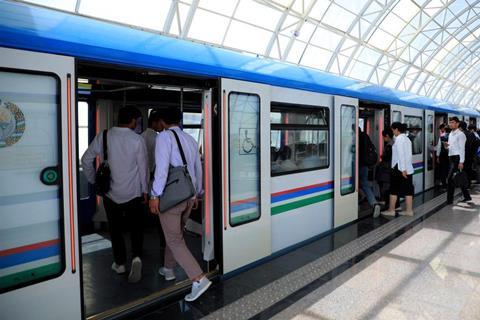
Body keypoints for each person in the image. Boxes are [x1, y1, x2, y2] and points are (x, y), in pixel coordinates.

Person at [149, 108, 211, 302]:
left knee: (174, 239)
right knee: (176, 235)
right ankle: (168, 269)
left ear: (162, 121)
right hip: (188, 195)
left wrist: (154, 195)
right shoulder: (190, 139)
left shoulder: (164, 138)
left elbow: (161, 168)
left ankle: (198, 279)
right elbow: (198, 168)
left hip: (171, 197)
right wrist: (197, 193)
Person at [81, 106, 148, 283]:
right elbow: (143, 169)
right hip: (133, 193)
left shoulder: (103, 136)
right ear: (133, 120)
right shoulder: (137, 140)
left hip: (110, 194)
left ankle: (119, 264)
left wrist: (94, 180)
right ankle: (136, 258)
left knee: (115, 230)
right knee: (136, 228)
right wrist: (146, 191)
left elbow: (86, 159)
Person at [141, 110, 166, 249]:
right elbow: (160, 162)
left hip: (143, 178)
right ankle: (163, 241)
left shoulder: (141, 136)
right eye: (160, 123)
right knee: (158, 210)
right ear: (155, 122)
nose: (162, 126)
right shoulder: (157, 138)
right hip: (153, 176)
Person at [381, 122, 415, 216]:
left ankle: (391, 210)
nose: (393, 132)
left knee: (393, 189)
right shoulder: (407, 139)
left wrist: (403, 169)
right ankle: (409, 211)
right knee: (408, 190)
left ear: (396, 129)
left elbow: (401, 155)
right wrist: (406, 168)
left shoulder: (399, 139)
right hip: (408, 168)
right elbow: (408, 155)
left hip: (399, 168)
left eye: (393, 130)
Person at [445, 117, 471, 204]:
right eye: (450, 122)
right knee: (456, 177)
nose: (450, 124)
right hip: (451, 157)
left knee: (449, 179)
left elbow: (462, 149)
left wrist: (461, 162)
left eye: (452, 122)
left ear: (457, 123)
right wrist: (447, 147)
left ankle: (449, 200)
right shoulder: (450, 134)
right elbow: (451, 146)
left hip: (457, 158)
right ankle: (467, 196)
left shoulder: (461, 135)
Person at [359, 127, 381, 218]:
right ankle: (374, 203)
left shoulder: (354, 137)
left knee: (352, 185)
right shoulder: (365, 136)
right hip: (365, 165)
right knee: (364, 184)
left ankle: (356, 204)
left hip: (356, 166)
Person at [376, 129, 394, 206]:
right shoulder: (395, 143)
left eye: (383, 137)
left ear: (387, 136)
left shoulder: (389, 145)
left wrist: (381, 156)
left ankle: (385, 200)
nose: (383, 138)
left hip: (386, 168)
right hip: (390, 167)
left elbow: (386, 157)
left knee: (384, 184)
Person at [435, 124, 450, 188]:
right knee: (449, 169)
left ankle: (444, 184)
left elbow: (439, 147)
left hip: (443, 155)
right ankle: (450, 182)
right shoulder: (452, 136)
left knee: (443, 170)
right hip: (450, 155)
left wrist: (437, 156)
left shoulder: (441, 136)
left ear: (445, 130)